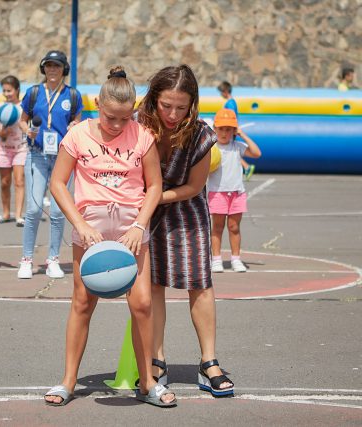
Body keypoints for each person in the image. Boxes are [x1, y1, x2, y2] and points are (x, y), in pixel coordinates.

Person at [46, 66, 174, 407]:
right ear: (96, 104)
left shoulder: (143, 136)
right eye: (110, 117)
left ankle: (148, 382)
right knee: (83, 303)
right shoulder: (77, 135)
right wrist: (81, 225)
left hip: (132, 231)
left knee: (143, 304)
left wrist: (139, 226)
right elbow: (58, 183)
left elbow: (155, 186)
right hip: (90, 231)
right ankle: (67, 381)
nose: (117, 126)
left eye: (124, 119)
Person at [138, 65, 235, 398]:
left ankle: (209, 363)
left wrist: (155, 198)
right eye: (166, 105)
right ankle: (156, 359)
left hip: (186, 210)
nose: (173, 114)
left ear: (192, 104)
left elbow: (194, 186)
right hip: (144, 213)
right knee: (153, 285)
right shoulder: (137, 126)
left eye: (181, 107)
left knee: (200, 283)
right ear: (154, 99)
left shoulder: (201, 134)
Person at [17, 50, 83, 279]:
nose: (52, 70)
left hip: (62, 158)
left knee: (57, 211)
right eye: (48, 66)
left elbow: (76, 120)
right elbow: (22, 120)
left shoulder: (73, 95)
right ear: (43, 68)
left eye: (57, 66)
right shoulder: (34, 92)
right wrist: (29, 132)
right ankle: (26, 259)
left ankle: (53, 259)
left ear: (64, 69)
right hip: (36, 155)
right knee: (34, 209)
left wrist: (74, 127)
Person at [208, 109, 262, 273]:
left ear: (234, 131)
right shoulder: (212, 148)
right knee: (217, 227)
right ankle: (216, 259)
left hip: (237, 193)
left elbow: (257, 153)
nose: (225, 133)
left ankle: (236, 259)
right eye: (221, 129)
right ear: (215, 129)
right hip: (217, 193)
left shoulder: (237, 146)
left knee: (234, 227)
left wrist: (242, 134)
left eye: (229, 129)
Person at [0, 75, 26, 226]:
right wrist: (1, 132)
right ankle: (6, 212)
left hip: (21, 148)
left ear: (17, 90)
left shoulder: (23, 108)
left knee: (19, 181)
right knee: (5, 182)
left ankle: (19, 215)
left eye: (9, 90)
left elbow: (27, 125)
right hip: (4, 149)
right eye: (4, 91)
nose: (6, 94)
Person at [217, 81, 254, 181]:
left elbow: (231, 117)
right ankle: (246, 167)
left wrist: (231, 129)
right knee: (231, 150)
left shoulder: (230, 103)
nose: (221, 94)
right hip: (231, 130)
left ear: (225, 91)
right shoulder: (231, 102)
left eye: (221, 92)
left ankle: (246, 167)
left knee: (231, 150)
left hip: (230, 130)